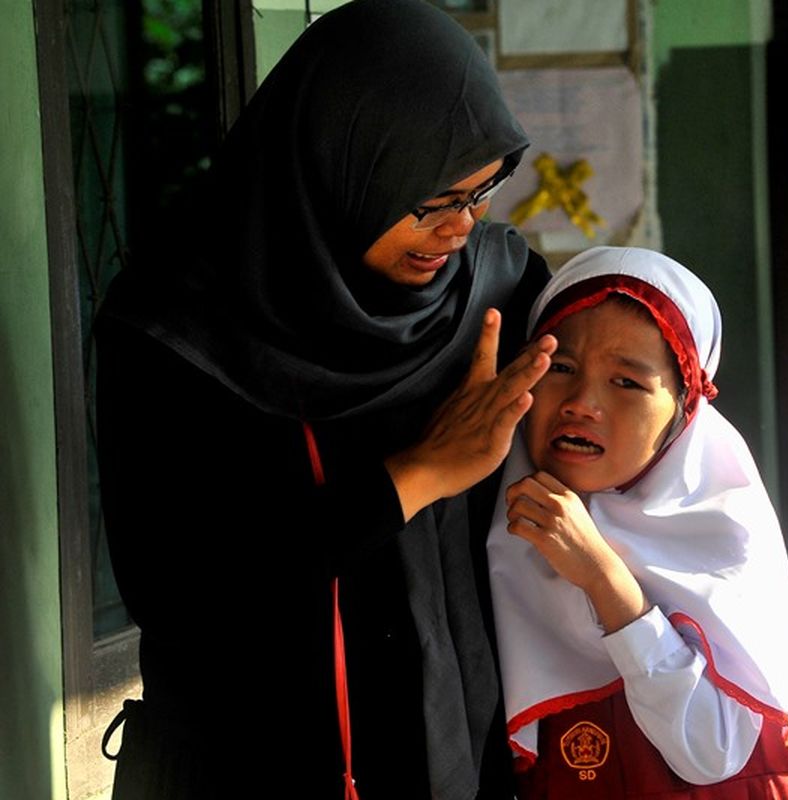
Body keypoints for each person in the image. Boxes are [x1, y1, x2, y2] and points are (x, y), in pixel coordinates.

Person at [94, 1, 554, 797]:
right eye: (432, 199)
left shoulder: (496, 290)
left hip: (474, 770)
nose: (460, 228)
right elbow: (179, 595)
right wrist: (415, 476)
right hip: (252, 770)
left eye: (483, 192)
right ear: (343, 160)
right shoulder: (180, 335)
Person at [487, 246, 788, 798]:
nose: (581, 403)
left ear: (684, 406)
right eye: (562, 368)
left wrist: (603, 578)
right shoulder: (489, 524)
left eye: (627, 383)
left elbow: (711, 754)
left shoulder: (721, 535)